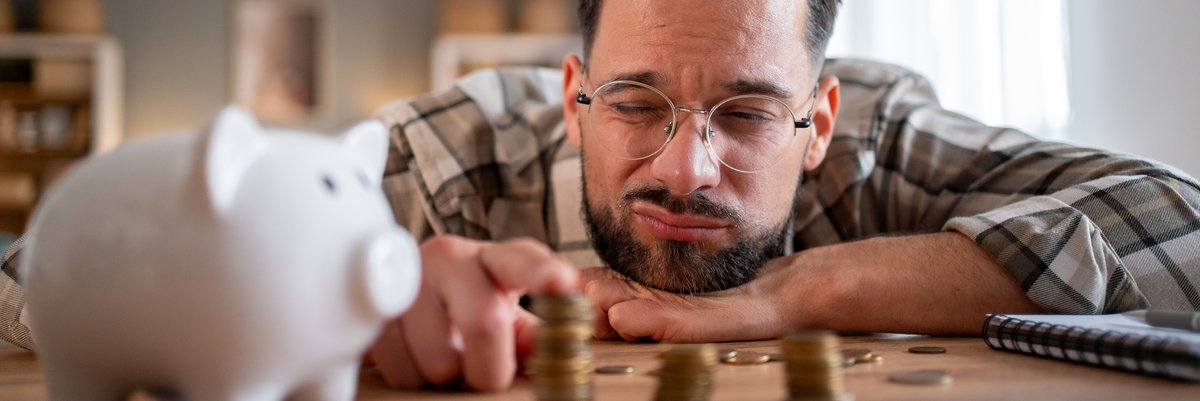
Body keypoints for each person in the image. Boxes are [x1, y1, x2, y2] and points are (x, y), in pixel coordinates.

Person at [3, 0, 1199, 393]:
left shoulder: (890, 135)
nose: (686, 170)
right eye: (634, 105)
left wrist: (813, 284)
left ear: (823, 120)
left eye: (743, 113)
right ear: (573, 93)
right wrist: (301, 289)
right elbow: (27, 289)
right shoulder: (451, 149)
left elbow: (1180, 215)